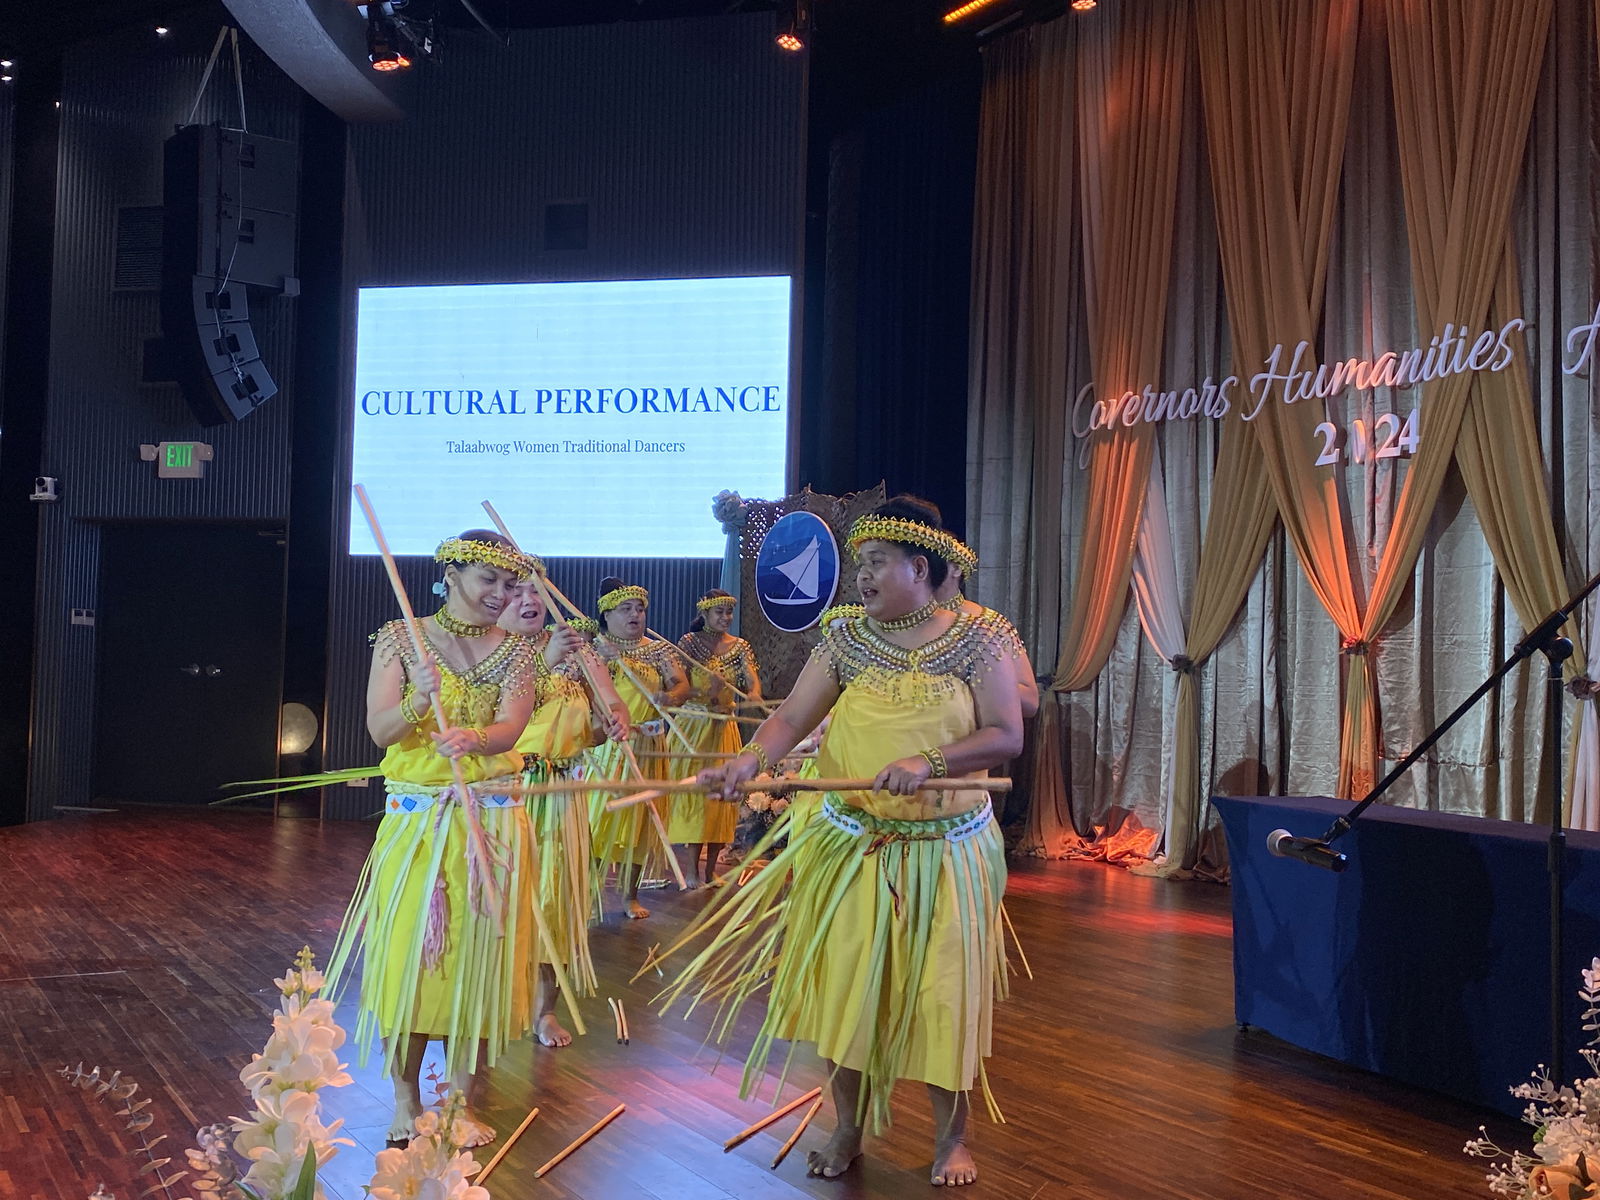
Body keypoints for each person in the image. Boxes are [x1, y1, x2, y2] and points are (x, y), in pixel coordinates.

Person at [655, 496, 1024, 1188]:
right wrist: (748, 763)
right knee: (848, 989)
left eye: (876, 563)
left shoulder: (983, 637)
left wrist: (930, 763)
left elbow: (1007, 733)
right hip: (853, 845)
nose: (861, 576)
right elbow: (791, 716)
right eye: (860, 564)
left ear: (920, 567)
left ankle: (951, 1138)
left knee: (943, 994)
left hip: (949, 849)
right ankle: (848, 1123)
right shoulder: (846, 636)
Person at [327, 531, 543, 1149]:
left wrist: (477, 739)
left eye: (509, 583)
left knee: (479, 961)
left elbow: (511, 726)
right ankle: (404, 1097)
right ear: (449, 574)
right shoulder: (402, 639)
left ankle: (462, 1098)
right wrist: (421, 701)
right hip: (419, 825)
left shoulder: (519, 651)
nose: (502, 594)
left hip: (490, 823)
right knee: (410, 963)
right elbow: (379, 730)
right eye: (489, 580)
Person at [498, 577, 630, 1048]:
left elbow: (605, 710)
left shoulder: (580, 652)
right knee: (501, 902)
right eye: (516, 591)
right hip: (507, 794)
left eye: (536, 592)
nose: (529, 601)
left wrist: (610, 721)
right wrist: (544, 660)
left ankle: (544, 1011)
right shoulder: (487, 653)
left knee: (556, 903)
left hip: (563, 794)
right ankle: (494, 1002)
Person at [586, 577, 689, 919]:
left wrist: (670, 696)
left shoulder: (658, 649)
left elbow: (680, 684)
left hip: (648, 745)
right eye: (626, 609)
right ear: (606, 614)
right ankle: (589, 894)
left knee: (642, 823)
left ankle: (629, 896)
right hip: (610, 746)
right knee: (598, 820)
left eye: (640, 609)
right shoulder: (594, 647)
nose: (636, 615)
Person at [668, 589, 763, 886]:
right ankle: (693, 870)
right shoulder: (688, 643)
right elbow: (681, 691)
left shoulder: (740, 646)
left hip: (724, 728)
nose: (726, 618)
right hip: (695, 728)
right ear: (705, 614)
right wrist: (706, 692)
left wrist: (754, 694)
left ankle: (710, 871)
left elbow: (750, 678)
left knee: (723, 797)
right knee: (699, 798)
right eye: (719, 612)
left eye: (728, 612)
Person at [934, 537, 1040, 719]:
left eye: (933, 560)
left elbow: (1030, 702)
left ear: (956, 568)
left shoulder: (988, 623)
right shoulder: (896, 624)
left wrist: (961, 688)